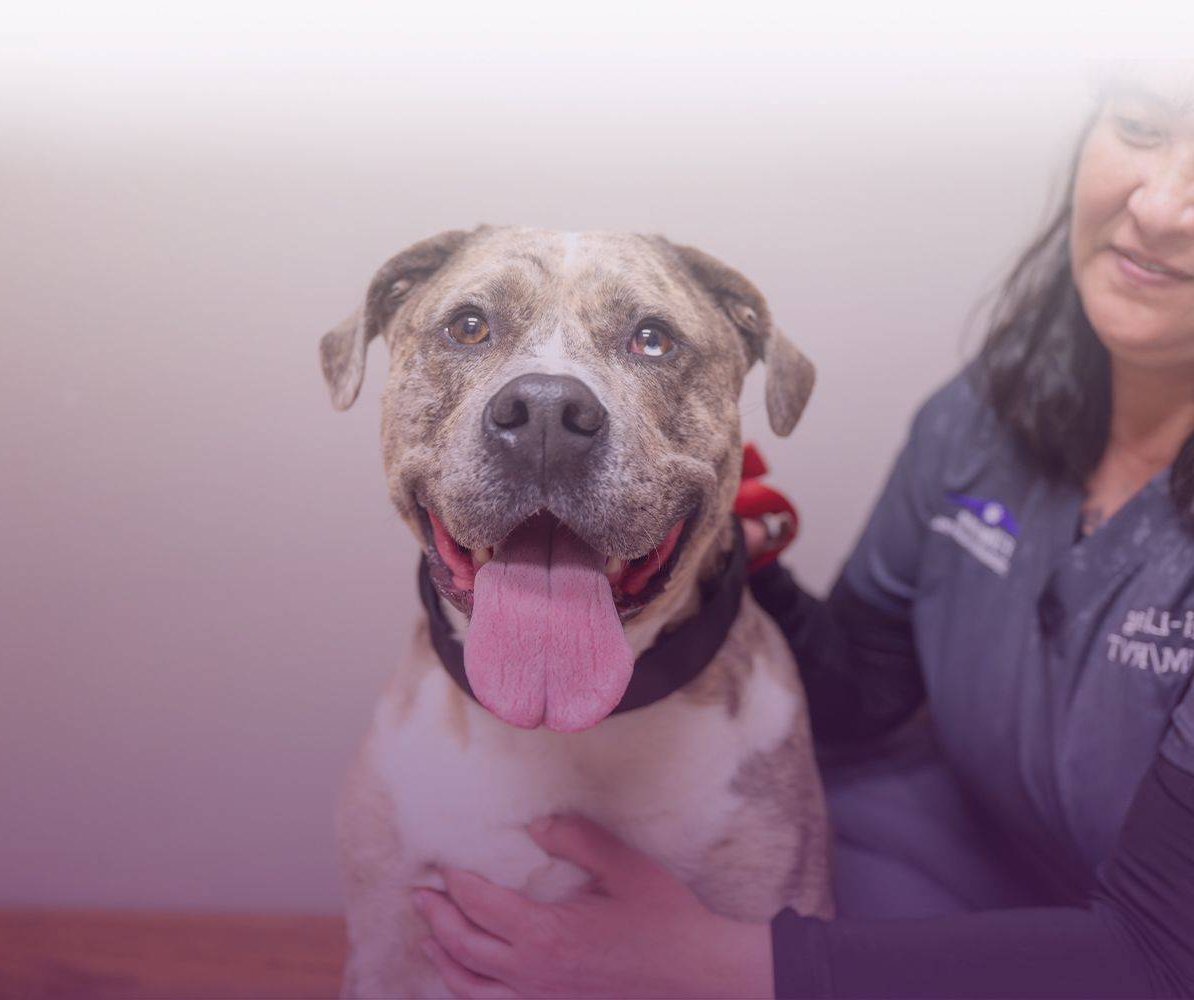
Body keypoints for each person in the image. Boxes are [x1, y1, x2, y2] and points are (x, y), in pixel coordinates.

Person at [410, 63, 1194, 998]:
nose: (1159, 204)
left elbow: (1163, 952)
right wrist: (707, 541)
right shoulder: (979, 423)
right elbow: (862, 687)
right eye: (1144, 125)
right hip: (991, 859)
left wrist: (720, 963)